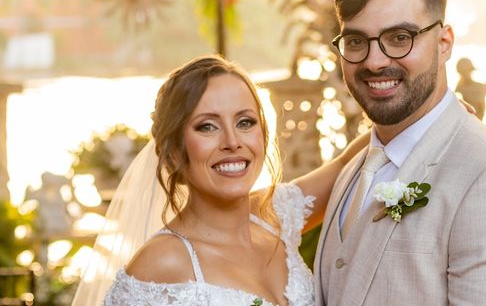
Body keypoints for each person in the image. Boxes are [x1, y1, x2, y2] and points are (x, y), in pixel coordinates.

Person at [314, 0, 486, 305]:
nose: (374, 61)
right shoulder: (354, 169)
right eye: (356, 41)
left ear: (444, 43)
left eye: (399, 37)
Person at [72, 55, 369, 306]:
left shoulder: (275, 215)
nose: (232, 141)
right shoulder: (161, 264)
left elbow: (349, 161)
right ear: (173, 153)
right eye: (207, 126)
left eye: (245, 122)